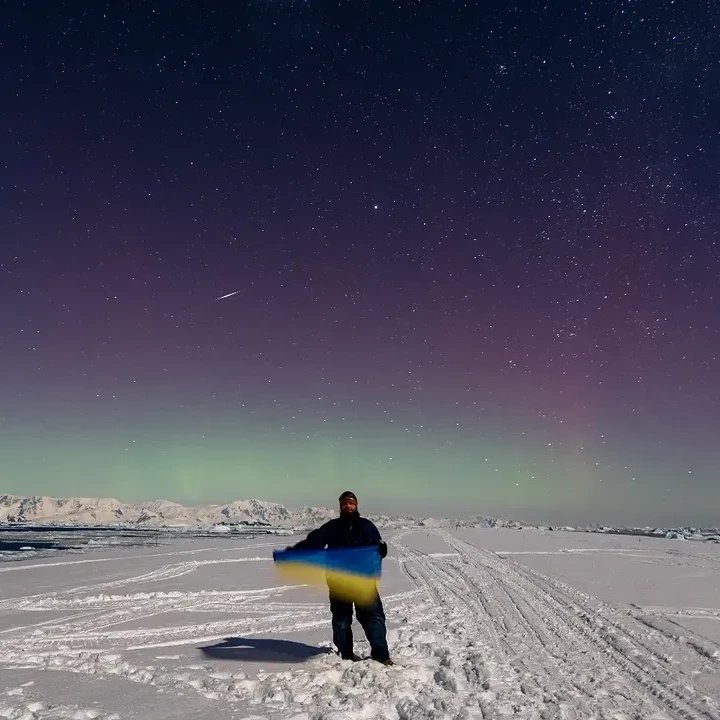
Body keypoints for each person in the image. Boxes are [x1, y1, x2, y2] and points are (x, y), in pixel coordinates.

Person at [289, 490, 393, 665]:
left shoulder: (367, 526)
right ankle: (345, 656)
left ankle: (381, 655)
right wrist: (294, 553)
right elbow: (313, 543)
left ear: (356, 505)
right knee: (341, 620)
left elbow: (378, 547)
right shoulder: (332, 527)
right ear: (340, 507)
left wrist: (382, 550)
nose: (348, 506)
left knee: (373, 619)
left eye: (351, 503)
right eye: (344, 503)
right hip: (339, 582)